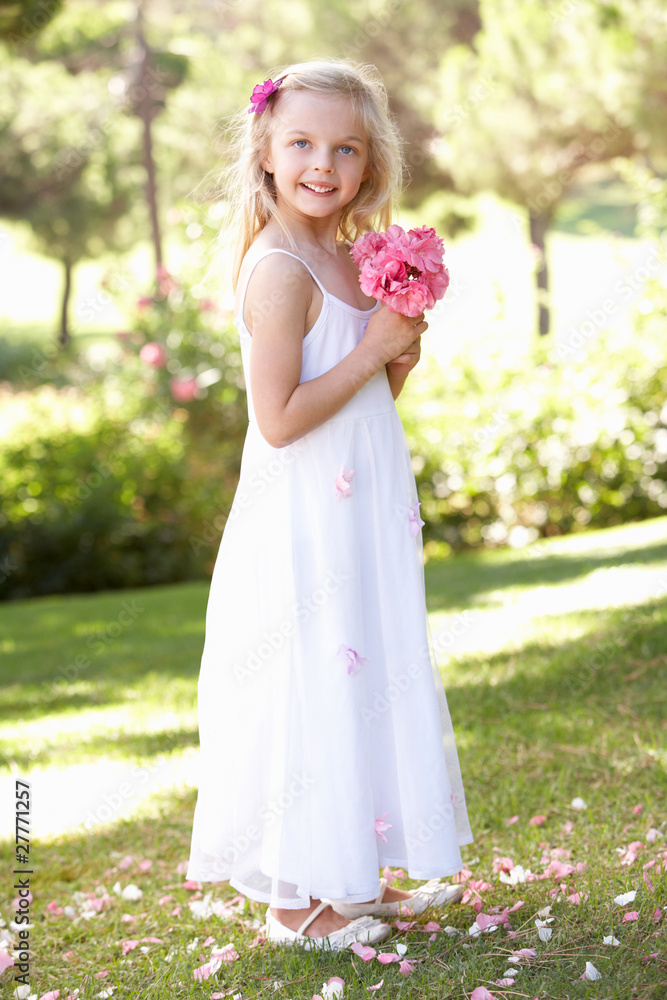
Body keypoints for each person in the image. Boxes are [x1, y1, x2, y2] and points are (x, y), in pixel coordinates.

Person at [186, 58, 474, 951]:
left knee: (359, 675)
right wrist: (368, 353)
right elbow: (278, 422)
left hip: (360, 510)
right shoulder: (279, 269)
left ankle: (342, 879)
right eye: (302, 143)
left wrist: (395, 360)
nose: (323, 163)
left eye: (345, 147)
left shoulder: (349, 259)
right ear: (265, 152)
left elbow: (361, 405)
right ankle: (292, 901)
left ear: (370, 162)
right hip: (301, 524)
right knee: (309, 676)